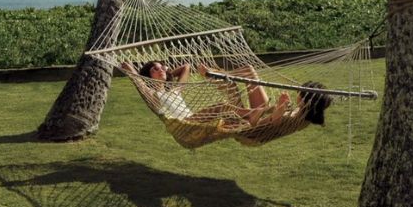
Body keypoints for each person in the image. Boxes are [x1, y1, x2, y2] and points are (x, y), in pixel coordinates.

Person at [120, 58, 289, 128]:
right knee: (222, 107)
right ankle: (256, 113)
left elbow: (186, 67)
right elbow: (140, 84)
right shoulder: (152, 94)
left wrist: (167, 70)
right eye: (154, 69)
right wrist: (131, 71)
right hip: (182, 124)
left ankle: (262, 115)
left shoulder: (175, 90)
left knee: (230, 118)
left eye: (161, 66)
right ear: (148, 76)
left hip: (194, 119)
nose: (160, 69)